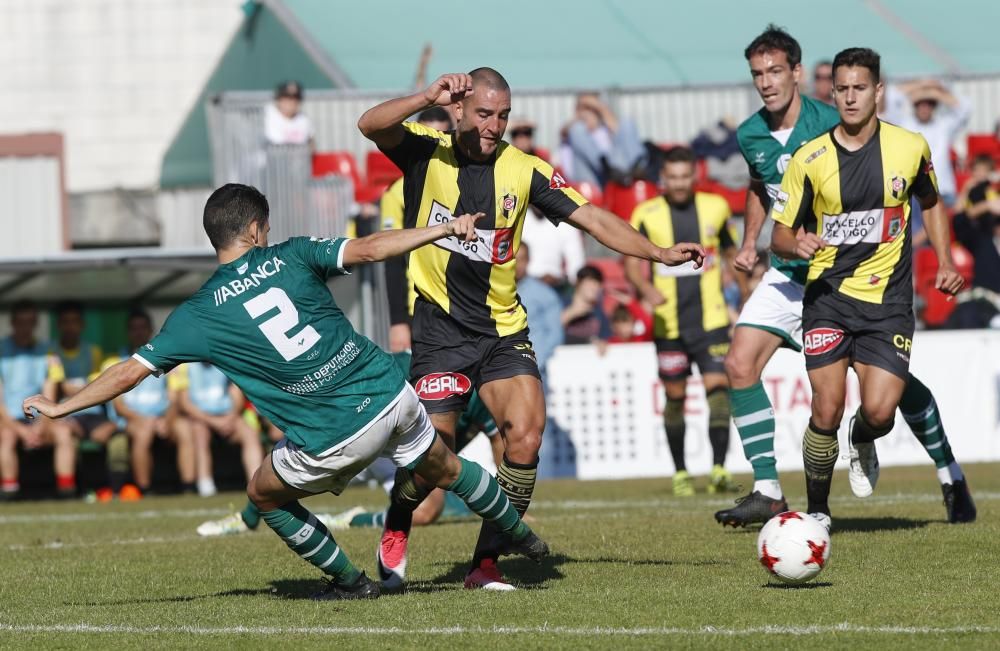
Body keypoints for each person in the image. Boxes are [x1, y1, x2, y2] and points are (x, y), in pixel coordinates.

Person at [24, 183, 548, 601]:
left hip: (334, 434)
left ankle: (351, 582)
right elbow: (369, 249)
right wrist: (440, 230)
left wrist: (61, 405)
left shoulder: (197, 314)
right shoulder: (296, 254)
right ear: (255, 229)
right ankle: (522, 537)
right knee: (447, 468)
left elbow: (128, 373)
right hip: (392, 394)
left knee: (263, 493)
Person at [358, 68, 704, 591]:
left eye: (503, 115)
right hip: (441, 331)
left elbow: (593, 218)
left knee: (526, 435)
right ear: (458, 109)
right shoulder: (426, 150)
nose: (494, 125)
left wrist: (656, 252)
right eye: (483, 114)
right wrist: (424, 96)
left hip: (502, 328)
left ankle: (485, 563)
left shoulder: (526, 171)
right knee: (434, 453)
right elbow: (369, 124)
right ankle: (397, 524)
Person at [716, 26, 976, 528]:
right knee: (740, 363)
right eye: (757, 75)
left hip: (852, 279)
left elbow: (916, 197)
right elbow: (759, 186)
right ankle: (771, 490)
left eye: (775, 72)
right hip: (796, 278)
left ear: (797, 73)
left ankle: (946, 468)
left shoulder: (829, 123)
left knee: (885, 395)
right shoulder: (750, 133)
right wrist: (751, 241)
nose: (766, 83)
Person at [624, 146, 742, 496]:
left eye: (683, 177)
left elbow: (729, 249)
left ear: (694, 176)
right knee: (675, 396)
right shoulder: (646, 213)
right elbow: (632, 261)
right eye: (671, 177)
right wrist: (645, 287)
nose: (677, 183)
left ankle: (719, 468)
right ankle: (680, 472)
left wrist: (733, 276)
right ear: (663, 179)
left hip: (712, 320)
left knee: (718, 390)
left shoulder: (716, 208)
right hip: (669, 325)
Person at [382, 106, 454, 353]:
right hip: (421, 306)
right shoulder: (396, 191)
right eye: (428, 139)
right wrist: (398, 320)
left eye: (443, 137)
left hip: (465, 305)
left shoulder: (468, 182)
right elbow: (392, 258)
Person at [104, 310, 196, 497]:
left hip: (162, 418)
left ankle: (189, 487)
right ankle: (146, 490)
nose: (138, 332)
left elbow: (174, 399)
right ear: (127, 332)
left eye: (142, 328)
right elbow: (119, 407)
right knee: (143, 432)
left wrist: (167, 421)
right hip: (132, 420)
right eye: (133, 328)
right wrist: (145, 420)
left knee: (185, 428)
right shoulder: (113, 362)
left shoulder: (166, 359)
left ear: (151, 330)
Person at [0, 301, 76, 499]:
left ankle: (66, 491)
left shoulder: (49, 351)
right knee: (6, 437)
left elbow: (49, 392)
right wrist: (20, 430)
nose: (25, 328)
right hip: (9, 418)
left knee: (63, 432)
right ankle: (9, 492)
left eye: (30, 323)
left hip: (40, 417)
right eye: (21, 322)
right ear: (13, 323)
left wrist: (40, 425)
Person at [177, 362, 264, 497]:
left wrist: (231, 417)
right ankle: (205, 483)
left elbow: (236, 394)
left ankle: (256, 483)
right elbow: (184, 403)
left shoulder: (224, 361)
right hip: (200, 417)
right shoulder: (186, 366)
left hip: (227, 415)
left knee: (250, 433)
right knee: (199, 433)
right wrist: (212, 421)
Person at [891, 79, 971, 207]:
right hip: (914, 193)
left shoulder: (943, 125)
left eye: (929, 104)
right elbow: (891, 98)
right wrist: (922, 84)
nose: (924, 108)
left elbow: (965, 108)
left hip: (944, 192)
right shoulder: (905, 124)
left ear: (934, 106)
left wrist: (936, 91)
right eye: (920, 104)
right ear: (914, 105)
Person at [53, 301, 117, 452]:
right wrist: (83, 388)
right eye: (66, 322)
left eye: (74, 321)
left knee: (113, 436)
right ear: (59, 325)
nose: (70, 327)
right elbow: (60, 387)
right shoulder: (51, 352)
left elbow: (98, 386)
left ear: (82, 325)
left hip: (93, 413)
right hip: (66, 414)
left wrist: (70, 388)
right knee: (66, 435)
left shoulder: (93, 351)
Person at [560, 93, 647, 186]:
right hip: (589, 180)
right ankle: (606, 167)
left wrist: (601, 108)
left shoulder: (605, 130)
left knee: (627, 122)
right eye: (585, 108)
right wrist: (579, 118)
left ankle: (637, 168)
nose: (588, 113)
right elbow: (564, 131)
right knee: (577, 129)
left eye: (592, 109)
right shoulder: (573, 131)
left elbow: (623, 134)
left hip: (619, 174)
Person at [562, 265, 612, 346]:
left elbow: (606, 339)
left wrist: (603, 343)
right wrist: (571, 313)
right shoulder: (560, 304)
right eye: (590, 282)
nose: (594, 287)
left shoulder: (599, 312)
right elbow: (547, 332)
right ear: (578, 282)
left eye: (598, 283)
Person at [264, 81, 314, 148]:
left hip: (298, 157)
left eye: (296, 98)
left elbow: (311, 142)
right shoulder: (266, 115)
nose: (292, 102)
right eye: (288, 98)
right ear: (279, 99)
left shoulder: (303, 119)